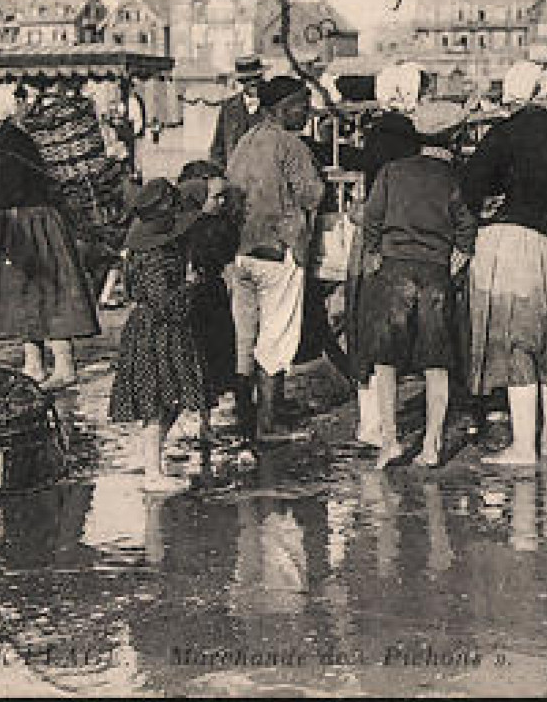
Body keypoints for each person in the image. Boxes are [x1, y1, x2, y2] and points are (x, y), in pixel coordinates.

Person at [460, 60, 547, 465]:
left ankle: (522, 445)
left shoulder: (503, 134)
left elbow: (471, 185)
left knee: (518, 341)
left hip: (514, 241)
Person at [360, 100, 477, 468]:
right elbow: (466, 226)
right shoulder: (454, 178)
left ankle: (390, 441)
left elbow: (371, 219)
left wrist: (375, 252)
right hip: (434, 275)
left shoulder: (392, 172)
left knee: (386, 360)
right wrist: (459, 255)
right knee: (435, 362)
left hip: (394, 271)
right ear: (453, 138)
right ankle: (432, 445)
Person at [0, 84, 101, 386]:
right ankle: (34, 364)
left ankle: (64, 367)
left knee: (46, 293)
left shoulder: (8, 142)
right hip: (24, 221)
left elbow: (11, 190)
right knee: (28, 294)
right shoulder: (5, 139)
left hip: (31, 222)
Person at [226, 75, 326, 440]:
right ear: (283, 108)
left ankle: (246, 413)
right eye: (302, 104)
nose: (307, 111)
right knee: (277, 337)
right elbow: (312, 195)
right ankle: (269, 423)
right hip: (278, 251)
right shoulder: (290, 145)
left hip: (241, 251)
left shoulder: (245, 142)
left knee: (244, 337)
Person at [109, 178, 208, 491]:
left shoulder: (147, 251)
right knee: (157, 403)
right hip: (158, 332)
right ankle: (152, 470)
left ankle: (152, 459)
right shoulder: (157, 257)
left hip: (155, 330)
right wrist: (191, 286)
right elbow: (164, 301)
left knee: (168, 400)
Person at [347, 62, 425, 449]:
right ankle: (380, 423)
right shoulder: (404, 135)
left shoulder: (376, 132)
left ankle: (371, 421)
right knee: (393, 331)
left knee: (370, 326)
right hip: (398, 235)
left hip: (372, 234)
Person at [177, 161, 245, 445]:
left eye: (222, 197)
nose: (220, 202)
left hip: (212, 296)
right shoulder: (183, 228)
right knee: (197, 358)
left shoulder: (219, 225)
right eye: (215, 197)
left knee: (215, 357)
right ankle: (196, 420)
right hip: (194, 299)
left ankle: (206, 422)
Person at [208, 56, 265, 171]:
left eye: (257, 78)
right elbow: (217, 148)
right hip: (235, 176)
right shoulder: (228, 107)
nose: (253, 82)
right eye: (248, 79)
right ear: (241, 81)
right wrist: (221, 174)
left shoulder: (273, 105)